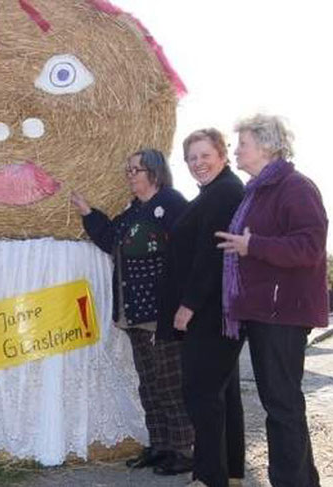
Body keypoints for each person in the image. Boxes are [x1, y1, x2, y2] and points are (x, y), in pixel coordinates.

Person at [216, 114, 328, 487]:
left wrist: (253, 246)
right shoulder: (258, 191)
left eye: (242, 144)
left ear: (266, 145)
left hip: (283, 314)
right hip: (263, 310)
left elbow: (310, 248)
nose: (236, 151)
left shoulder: (295, 187)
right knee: (281, 407)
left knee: (282, 407)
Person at [71, 149, 194, 475]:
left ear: (154, 172)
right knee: (149, 383)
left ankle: (183, 449)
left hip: (161, 311)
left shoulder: (171, 204)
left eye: (135, 170)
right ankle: (160, 445)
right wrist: (87, 212)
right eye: (128, 170)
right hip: (135, 312)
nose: (130, 175)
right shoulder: (133, 211)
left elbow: (189, 252)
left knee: (169, 383)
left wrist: (185, 302)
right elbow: (111, 239)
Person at [159, 129, 246, 487]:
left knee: (201, 393)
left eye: (205, 155)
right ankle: (231, 472)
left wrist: (188, 305)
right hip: (217, 310)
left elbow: (212, 255)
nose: (198, 163)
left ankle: (210, 477)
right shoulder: (215, 192)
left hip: (210, 311)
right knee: (222, 392)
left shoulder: (224, 192)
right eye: (192, 158)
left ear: (222, 154)